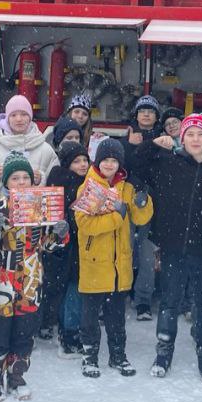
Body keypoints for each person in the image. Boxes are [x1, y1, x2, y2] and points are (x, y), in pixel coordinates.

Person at [138, 114, 202, 383]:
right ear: (182, 138)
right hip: (173, 249)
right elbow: (135, 165)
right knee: (169, 304)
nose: (195, 139)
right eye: (190, 134)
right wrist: (153, 144)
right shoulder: (168, 164)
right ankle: (163, 354)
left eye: (200, 134)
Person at [0, 154, 68, 402]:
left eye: (25, 177)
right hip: (2, 279)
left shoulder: (39, 205)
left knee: (24, 330)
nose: (20, 182)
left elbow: (47, 246)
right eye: (15, 178)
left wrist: (59, 233)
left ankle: (17, 376)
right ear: (6, 181)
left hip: (31, 278)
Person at [75, 138, 153, 378]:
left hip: (120, 266)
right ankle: (90, 357)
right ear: (98, 161)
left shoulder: (125, 188)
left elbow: (140, 219)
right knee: (90, 317)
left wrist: (143, 202)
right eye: (106, 160)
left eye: (114, 160)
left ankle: (118, 355)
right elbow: (85, 224)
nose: (110, 164)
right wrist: (117, 218)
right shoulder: (88, 187)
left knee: (117, 318)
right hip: (95, 264)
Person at [43, 141, 91, 356]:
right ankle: (68, 333)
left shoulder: (89, 183)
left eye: (85, 160)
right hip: (64, 246)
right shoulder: (61, 184)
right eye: (77, 161)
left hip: (81, 244)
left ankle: (71, 330)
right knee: (69, 289)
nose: (82, 165)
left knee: (74, 289)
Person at [0, 94, 59, 203]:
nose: (19, 119)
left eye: (24, 114)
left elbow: (57, 195)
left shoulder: (46, 150)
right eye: (13, 115)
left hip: (35, 218)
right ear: (7, 118)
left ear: (30, 118)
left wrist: (40, 181)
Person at [122, 94, 164, 321]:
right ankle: (120, 293)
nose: (146, 114)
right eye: (142, 110)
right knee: (124, 248)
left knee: (148, 253)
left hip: (153, 202)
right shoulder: (125, 137)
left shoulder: (164, 139)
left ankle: (143, 300)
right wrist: (130, 146)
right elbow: (121, 165)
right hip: (127, 201)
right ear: (136, 114)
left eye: (150, 111)